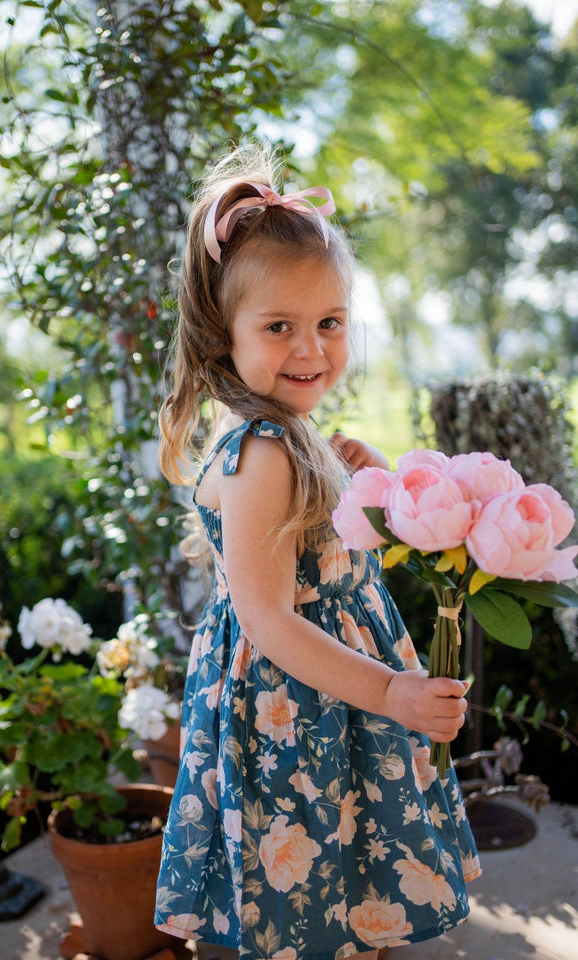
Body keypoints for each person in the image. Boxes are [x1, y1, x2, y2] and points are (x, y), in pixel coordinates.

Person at [154, 145, 481, 960]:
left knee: (349, 893)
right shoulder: (263, 449)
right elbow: (268, 618)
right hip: (300, 712)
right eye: (279, 327)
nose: (312, 349)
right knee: (313, 903)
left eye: (330, 323)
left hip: (332, 705)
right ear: (222, 338)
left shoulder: (289, 433)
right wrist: (393, 693)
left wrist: (358, 480)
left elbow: (323, 550)